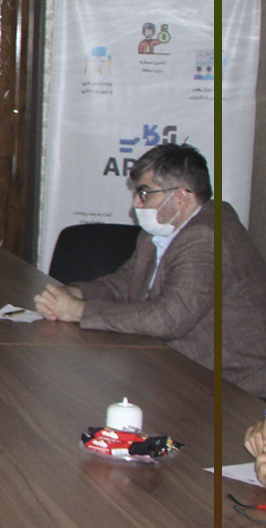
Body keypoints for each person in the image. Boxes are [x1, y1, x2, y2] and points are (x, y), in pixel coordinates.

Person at [35, 143, 266, 396]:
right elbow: (124, 283)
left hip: (233, 389)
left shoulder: (206, 237)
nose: (136, 203)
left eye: (145, 193)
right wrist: (73, 293)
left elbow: (168, 319)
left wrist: (79, 311)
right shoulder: (162, 229)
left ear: (180, 198)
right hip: (178, 369)